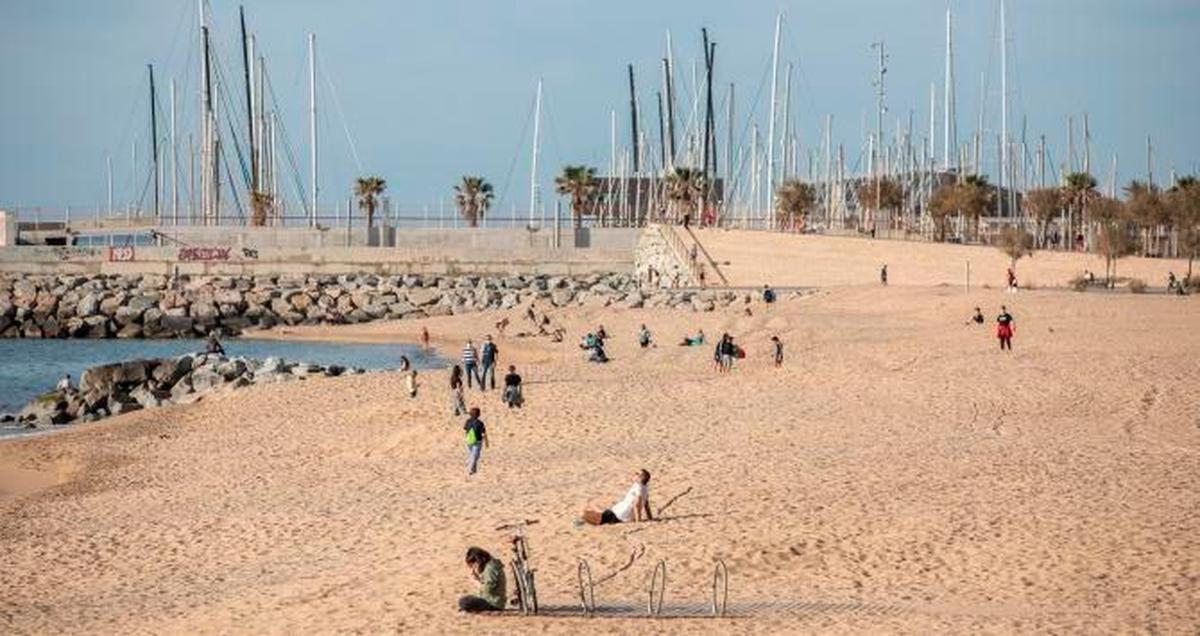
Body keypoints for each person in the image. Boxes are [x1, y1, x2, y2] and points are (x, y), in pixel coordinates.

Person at [582, 469, 653, 525]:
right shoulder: (644, 488)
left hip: (617, 516)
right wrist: (650, 518)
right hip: (617, 513)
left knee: (584, 514)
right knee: (592, 511)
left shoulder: (639, 490)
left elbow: (637, 505)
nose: (634, 474)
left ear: (641, 478)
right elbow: (646, 504)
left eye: (637, 474)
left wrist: (638, 522)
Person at [458, 547, 507, 613]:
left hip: (493, 603)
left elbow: (488, 590)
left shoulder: (491, 569)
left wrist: (476, 582)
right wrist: (478, 578)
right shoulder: (490, 566)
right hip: (492, 600)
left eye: (474, 565)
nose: (474, 568)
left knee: (464, 601)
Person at [464, 407, 488, 475]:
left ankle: (473, 470)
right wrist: (486, 442)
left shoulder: (468, 421)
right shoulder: (480, 423)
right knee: (475, 456)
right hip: (477, 441)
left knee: (472, 455)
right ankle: (470, 470)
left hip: (469, 440)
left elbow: (465, 429)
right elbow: (483, 433)